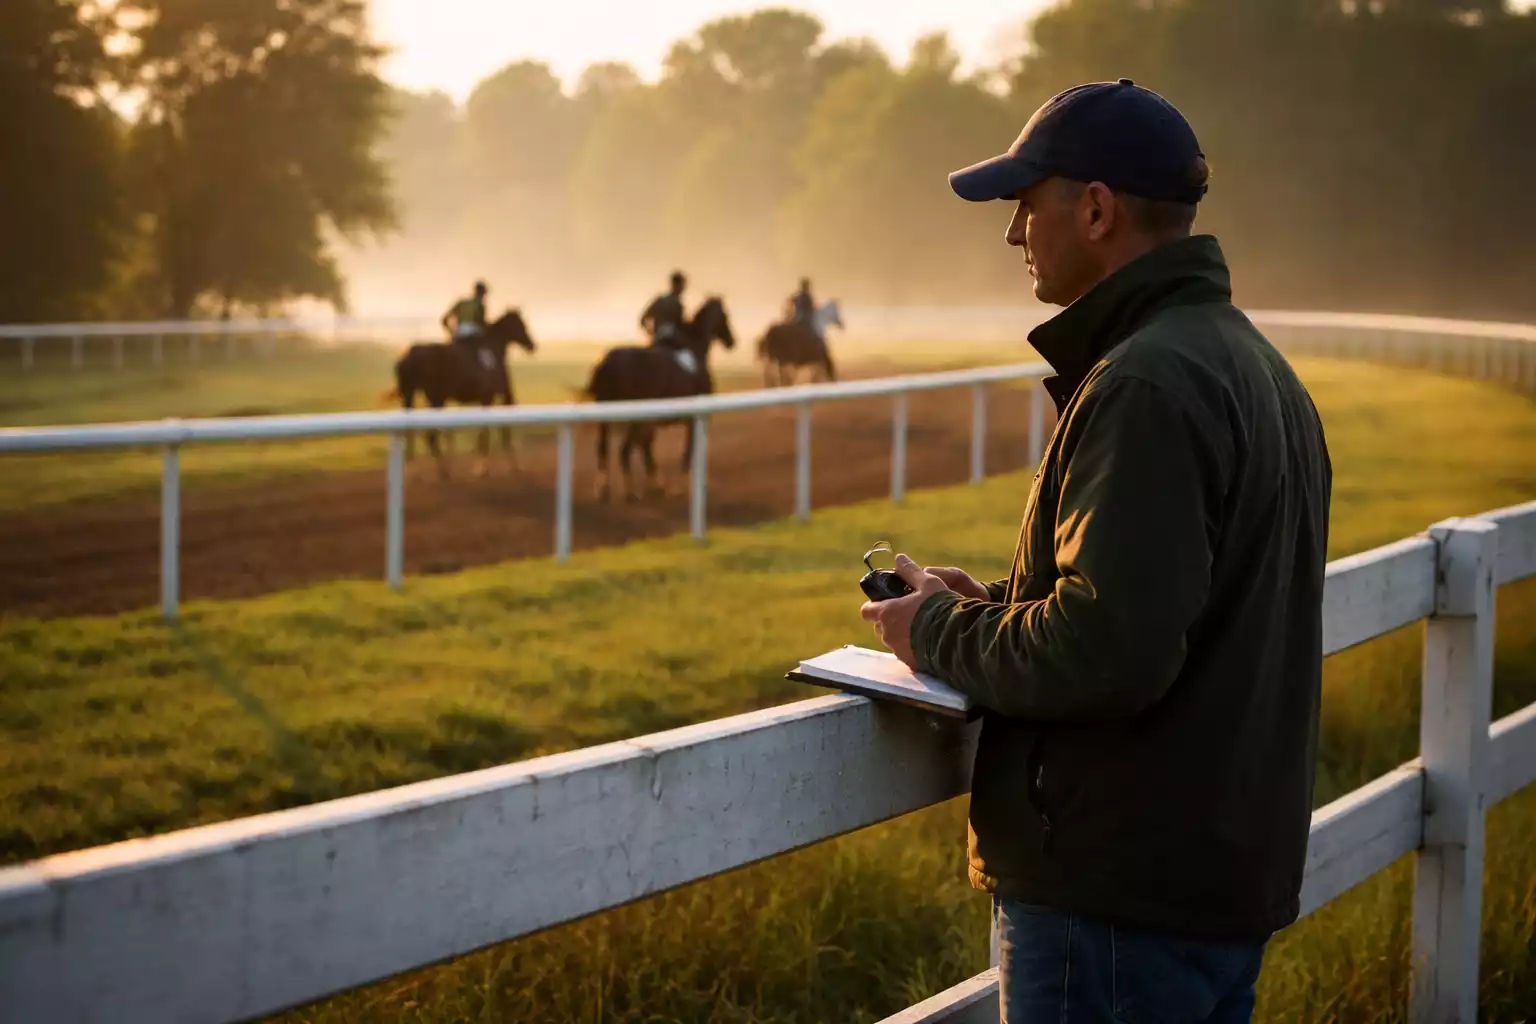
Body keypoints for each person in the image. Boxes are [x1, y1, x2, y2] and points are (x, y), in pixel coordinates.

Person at [859, 79, 1332, 1024]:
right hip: (1203, 884)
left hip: (1116, 899)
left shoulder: (1144, 382)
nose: (1013, 232)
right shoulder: (1252, 364)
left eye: (1025, 204)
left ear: (1097, 208)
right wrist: (997, 605)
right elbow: (1169, 600)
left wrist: (939, 628)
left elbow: (1106, 652)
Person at [640, 271, 688, 347]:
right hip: (669, 340)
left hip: (659, 338)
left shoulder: (662, 300)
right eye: (680, 285)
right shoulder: (672, 303)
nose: (682, 288)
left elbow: (643, 319)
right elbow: (680, 326)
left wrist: (652, 333)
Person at [442, 280, 489, 344]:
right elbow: (482, 324)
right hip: (473, 334)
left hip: (459, 333)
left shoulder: (462, 302)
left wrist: (451, 331)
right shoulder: (480, 306)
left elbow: (445, 319)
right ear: (482, 293)